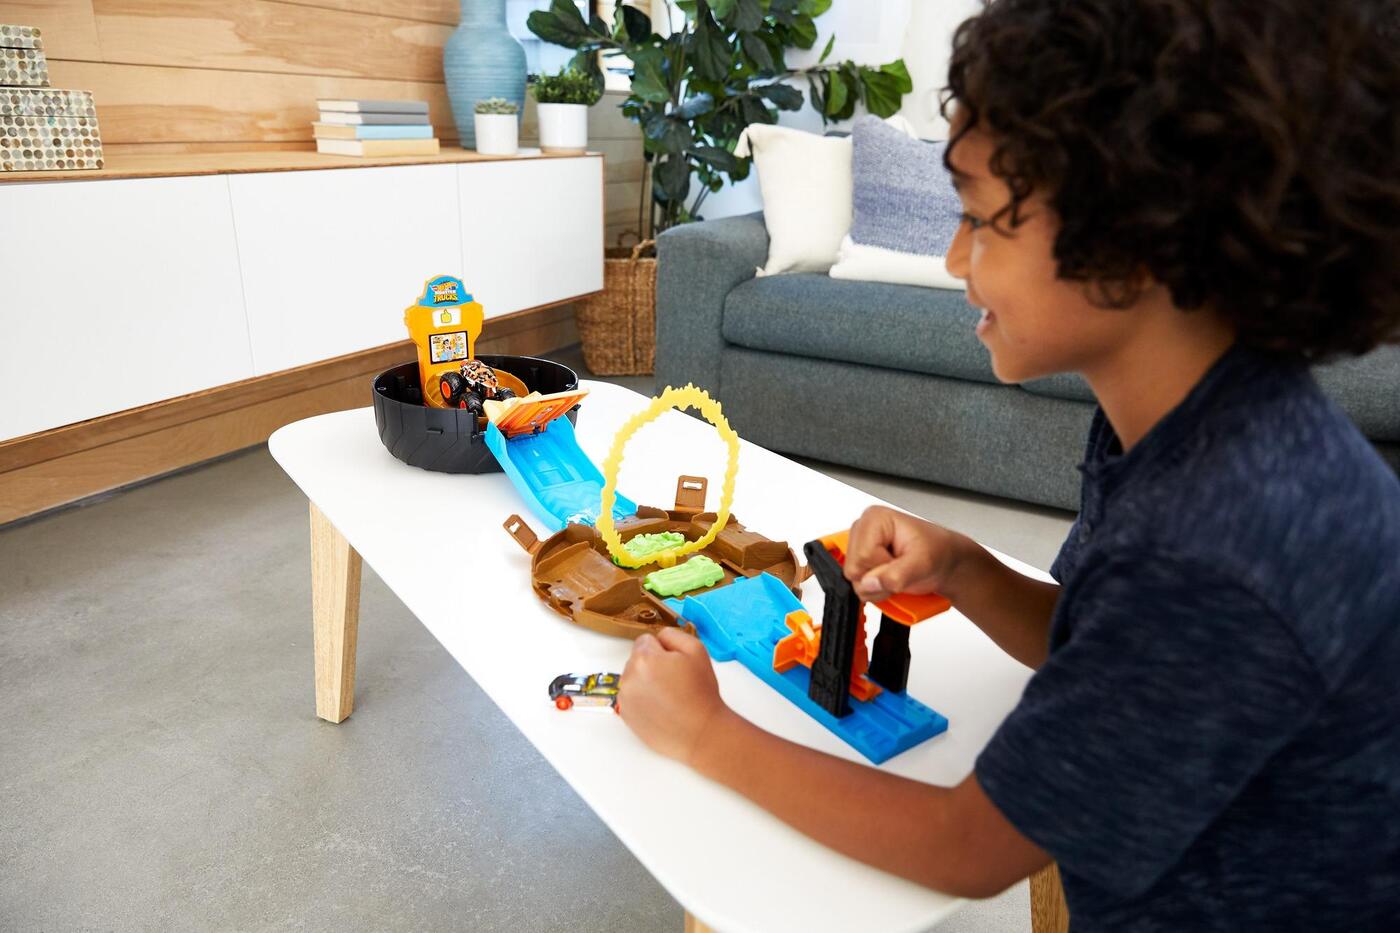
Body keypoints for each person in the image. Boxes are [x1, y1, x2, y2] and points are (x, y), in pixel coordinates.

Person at [616, 1, 1400, 929]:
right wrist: (968, 569)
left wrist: (707, 733)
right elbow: (1105, 644)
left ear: (1137, 243)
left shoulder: (1220, 542)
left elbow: (968, 845)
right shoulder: (1198, 421)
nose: (955, 259)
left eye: (982, 222)